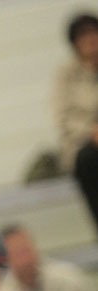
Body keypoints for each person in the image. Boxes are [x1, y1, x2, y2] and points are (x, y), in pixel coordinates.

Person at [51, 13, 98, 231]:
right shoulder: (66, 74)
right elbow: (61, 116)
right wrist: (91, 131)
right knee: (88, 160)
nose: (90, 40)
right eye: (83, 36)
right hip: (85, 144)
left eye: (93, 33)